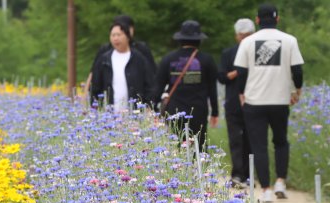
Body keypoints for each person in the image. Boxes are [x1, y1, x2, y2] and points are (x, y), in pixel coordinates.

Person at [234, 3, 304, 203]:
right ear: (277, 19)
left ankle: (265, 189)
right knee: (281, 141)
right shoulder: (289, 40)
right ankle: (280, 181)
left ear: (257, 21)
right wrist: (296, 90)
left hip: (254, 100)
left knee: (259, 145)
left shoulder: (248, 42)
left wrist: (241, 93)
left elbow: (241, 72)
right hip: (280, 100)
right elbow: (297, 70)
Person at [155, 20, 219, 152]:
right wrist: (215, 112)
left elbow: (158, 86)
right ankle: (200, 171)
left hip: (174, 111)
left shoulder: (168, 59)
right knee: (199, 145)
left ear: (180, 40)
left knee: (177, 146)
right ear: (199, 40)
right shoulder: (206, 60)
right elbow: (212, 88)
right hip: (198, 110)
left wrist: (154, 109)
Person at [219, 18, 255, 187]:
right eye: (241, 36)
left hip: (252, 101)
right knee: (235, 140)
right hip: (233, 102)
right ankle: (237, 175)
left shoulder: (257, 52)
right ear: (236, 37)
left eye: (247, 36)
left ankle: (249, 175)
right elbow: (221, 77)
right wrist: (237, 72)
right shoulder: (229, 53)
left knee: (251, 140)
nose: (244, 39)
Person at [90, 21, 155, 109]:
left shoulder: (139, 59)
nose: (115, 38)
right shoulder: (104, 60)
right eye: (113, 35)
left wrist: (148, 107)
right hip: (109, 114)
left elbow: (149, 86)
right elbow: (95, 87)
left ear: (128, 37)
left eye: (119, 35)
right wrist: (95, 108)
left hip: (134, 112)